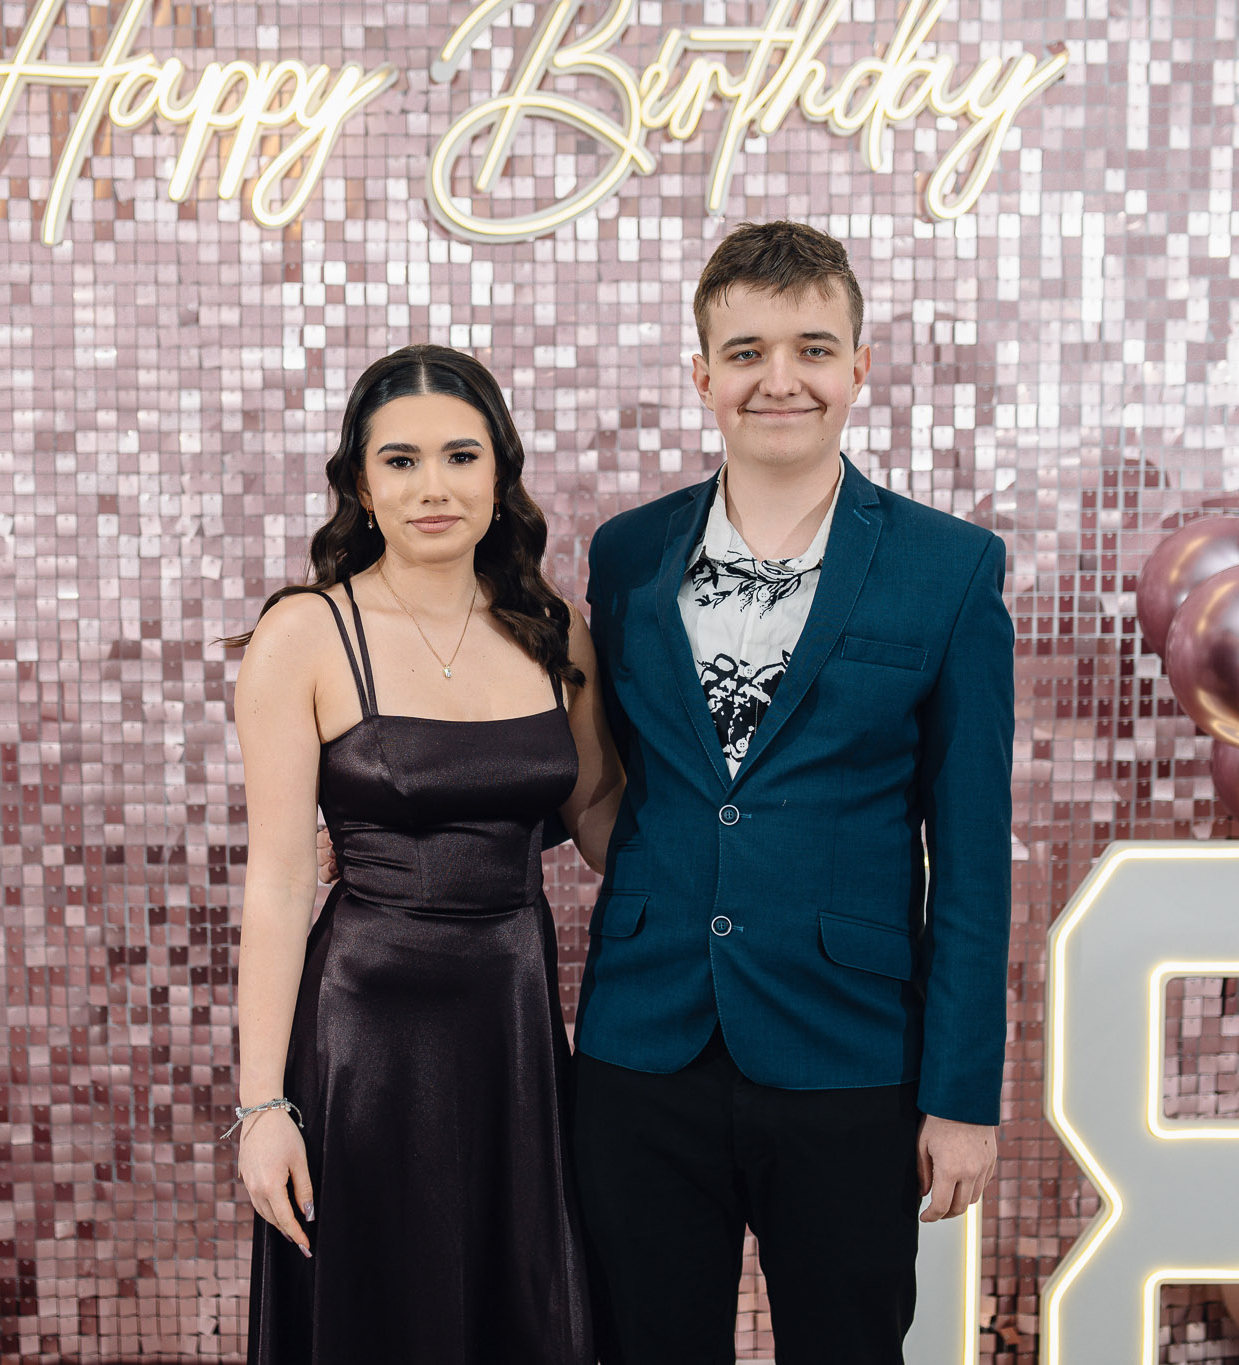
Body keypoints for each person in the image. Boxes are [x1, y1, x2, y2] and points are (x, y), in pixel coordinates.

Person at [573, 220, 1015, 1364]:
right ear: (701, 375)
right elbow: (598, 776)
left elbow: (972, 862)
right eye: (747, 352)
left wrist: (962, 1096)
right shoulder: (624, 556)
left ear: (857, 366)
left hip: (848, 1052)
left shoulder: (948, 567)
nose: (780, 379)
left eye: (812, 349)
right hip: (640, 1044)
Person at [229, 344, 620, 1365]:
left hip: (513, 1022)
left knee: (515, 1309)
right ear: (361, 485)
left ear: (500, 474)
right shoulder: (305, 634)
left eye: (460, 456)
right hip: (363, 1033)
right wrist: (262, 1108)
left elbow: (600, 818)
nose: (433, 487)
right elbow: (279, 883)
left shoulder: (554, 633)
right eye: (400, 461)